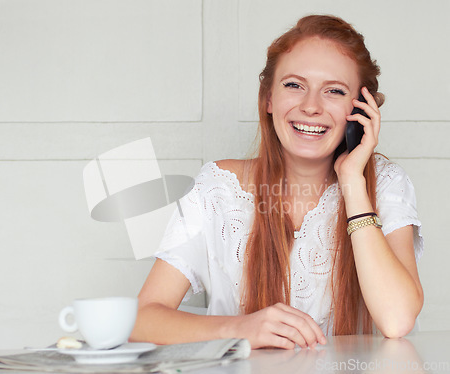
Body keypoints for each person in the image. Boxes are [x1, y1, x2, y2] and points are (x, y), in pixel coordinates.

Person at [130, 14, 424, 349]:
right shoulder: (217, 187)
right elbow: (142, 318)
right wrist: (242, 329)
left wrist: (352, 181)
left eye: (334, 91)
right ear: (269, 99)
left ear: (359, 110)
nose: (311, 106)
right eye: (294, 85)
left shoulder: (385, 185)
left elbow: (397, 319)